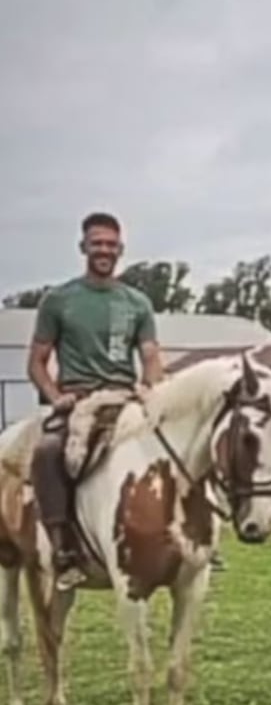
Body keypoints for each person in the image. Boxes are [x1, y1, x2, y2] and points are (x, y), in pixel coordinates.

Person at [27, 212, 163, 590]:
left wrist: (150, 388)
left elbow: (150, 355)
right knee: (49, 451)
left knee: (177, 444)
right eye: (96, 243)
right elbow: (36, 362)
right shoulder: (58, 300)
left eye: (110, 244)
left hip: (124, 397)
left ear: (120, 249)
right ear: (83, 247)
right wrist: (56, 397)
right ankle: (62, 550)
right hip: (78, 402)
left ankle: (190, 537)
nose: (103, 249)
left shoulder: (137, 302)